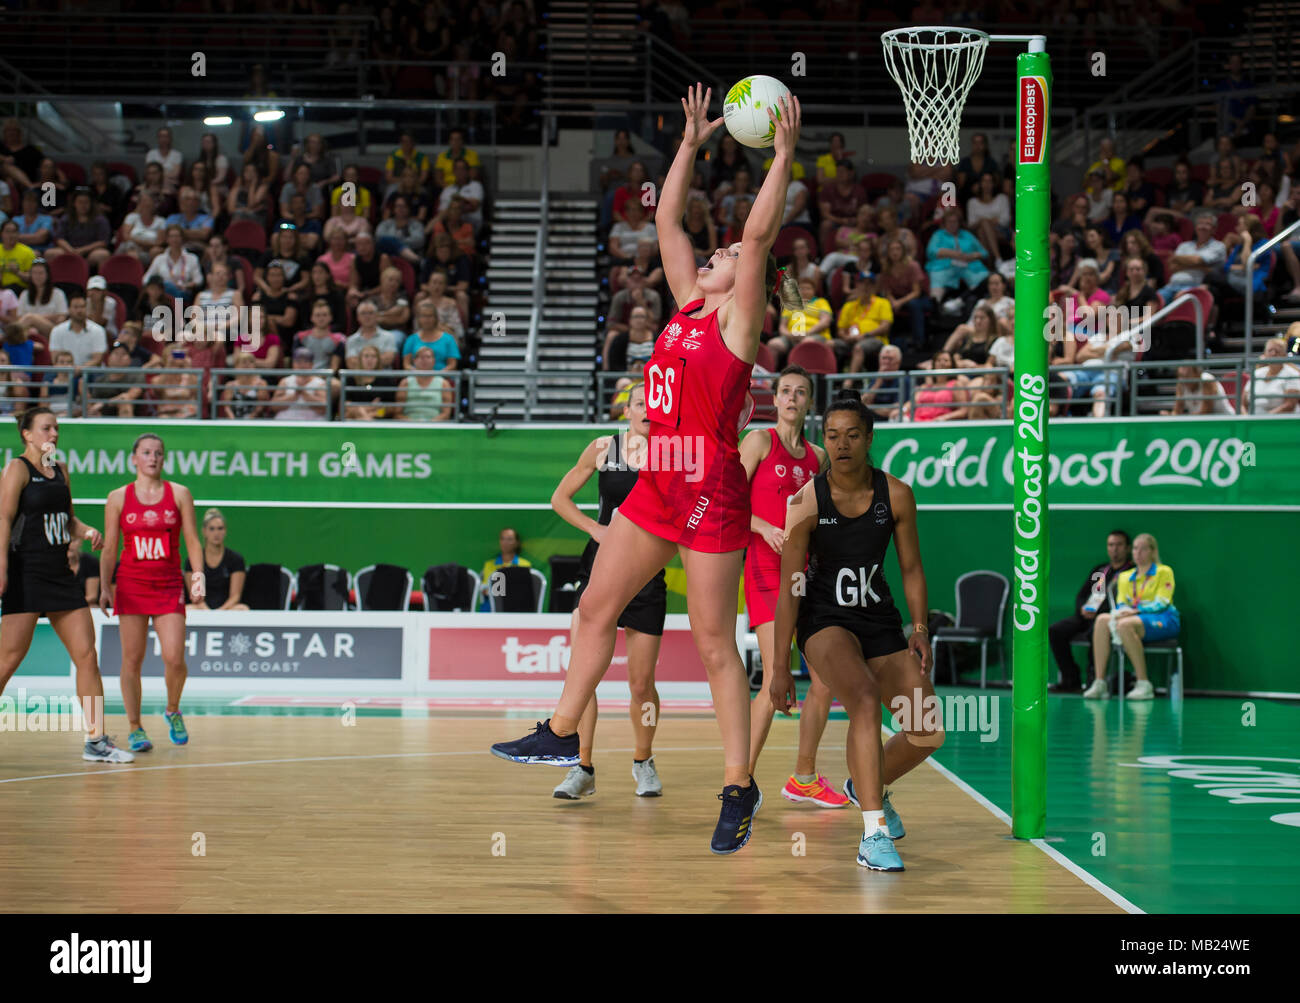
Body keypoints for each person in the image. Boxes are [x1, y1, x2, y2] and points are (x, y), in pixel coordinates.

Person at [491, 85, 805, 856]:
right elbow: (666, 219)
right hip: (659, 476)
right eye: (720, 250)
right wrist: (692, 143)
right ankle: (564, 733)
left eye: (726, 252)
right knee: (595, 605)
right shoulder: (687, 303)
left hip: (711, 488)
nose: (721, 250)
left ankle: (739, 783)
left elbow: (759, 238)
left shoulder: (736, 318)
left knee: (710, 643)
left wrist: (784, 158)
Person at [768, 392, 937, 870]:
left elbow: (911, 569)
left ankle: (868, 784)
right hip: (824, 621)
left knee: (927, 731)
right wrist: (779, 667)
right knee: (861, 697)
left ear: (869, 439)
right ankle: (872, 833)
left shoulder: (896, 494)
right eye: (833, 436)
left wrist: (919, 627)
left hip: (879, 619)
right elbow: (789, 588)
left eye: (852, 435)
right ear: (825, 441)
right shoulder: (804, 500)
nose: (842, 445)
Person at [548, 382, 669, 799]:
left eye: (654, 403)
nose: (647, 410)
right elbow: (560, 498)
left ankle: (644, 761)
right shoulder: (604, 448)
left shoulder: (673, 455)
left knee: (641, 685)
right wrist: (595, 529)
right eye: (640, 403)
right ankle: (582, 767)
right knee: (583, 676)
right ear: (628, 410)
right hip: (598, 570)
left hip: (647, 577)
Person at [739, 366, 846, 805]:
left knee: (824, 679)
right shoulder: (758, 442)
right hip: (765, 573)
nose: (791, 398)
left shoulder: (818, 457)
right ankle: (739, 782)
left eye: (800, 392)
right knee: (774, 680)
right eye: (785, 391)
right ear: (775, 398)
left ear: (808, 402)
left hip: (807, 576)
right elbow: (728, 500)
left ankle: (803, 776)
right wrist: (763, 527)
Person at [0, 408, 131, 762]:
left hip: (61, 575)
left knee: (87, 656)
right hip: (26, 572)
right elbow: (3, 517)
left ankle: (96, 740)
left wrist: (86, 530)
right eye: (46, 427)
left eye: (56, 427)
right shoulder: (16, 469)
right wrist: (0, 564)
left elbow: (67, 518)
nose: (54, 433)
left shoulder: (60, 470)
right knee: (8, 659)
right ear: (27, 434)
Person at [100, 433, 204, 750]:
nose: (153, 457)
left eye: (158, 452)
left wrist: (197, 576)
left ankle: (172, 709)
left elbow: (193, 540)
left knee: (174, 657)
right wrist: (105, 586)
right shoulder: (118, 497)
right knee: (132, 660)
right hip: (131, 584)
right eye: (146, 452)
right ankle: (135, 727)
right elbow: (109, 548)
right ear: (134, 458)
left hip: (169, 583)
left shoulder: (180, 493)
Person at [1084, 533, 1178, 701]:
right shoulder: (1125, 577)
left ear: (1153, 551)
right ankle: (1099, 682)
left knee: (1125, 625)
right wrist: (1123, 611)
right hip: (1131, 618)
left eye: (1143, 549)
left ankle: (1143, 683)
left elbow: (1162, 601)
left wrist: (1135, 611)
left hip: (1162, 619)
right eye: (1135, 548)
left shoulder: (1164, 571)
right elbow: (1121, 603)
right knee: (1102, 620)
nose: (1138, 553)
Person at [1047, 531, 1133, 693]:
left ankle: (1095, 679)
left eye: (1119, 545)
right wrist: (1082, 608)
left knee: (1096, 630)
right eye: (1111, 545)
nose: (1115, 549)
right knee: (1056, 631)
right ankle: (1070, 678)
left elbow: (1124, 601)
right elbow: (1083, 594)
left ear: (1127, 548)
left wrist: (1097, 612)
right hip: (1085, 616)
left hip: (1108, 618)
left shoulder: (1131, 572)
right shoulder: (1101, 571)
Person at [187, 508, 248, 611]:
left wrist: (220, 612)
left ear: (225, 531)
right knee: (188, 609)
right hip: (201, 609)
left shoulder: (236, 559)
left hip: (227, 609)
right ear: (204, 531)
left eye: (220, 528)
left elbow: (235, 596)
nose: (216, 533)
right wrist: (208, 612)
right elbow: (195, 596)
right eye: (212, 529)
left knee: (243, 609)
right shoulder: (192, 560)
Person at [478, 527, 532, 611]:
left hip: (516, 608)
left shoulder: (525, 565)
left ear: (517, 543)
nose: (505, 542)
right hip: (491, 609)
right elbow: (486, 590)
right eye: (502, 539)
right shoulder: (489, 564)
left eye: (509, 539)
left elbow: (523, 592)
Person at [1242, 337, 1300, 414]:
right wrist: (1245, 418)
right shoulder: (1256, 373)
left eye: (1277, 351)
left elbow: (1289, 405)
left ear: (1284, 355)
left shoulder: (1292, 374)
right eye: (1270, 351)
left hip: (1279, 422)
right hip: (1253, 421)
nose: (1273, 354)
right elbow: (1242, 404)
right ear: (1264, 354)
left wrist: (1266, 418)